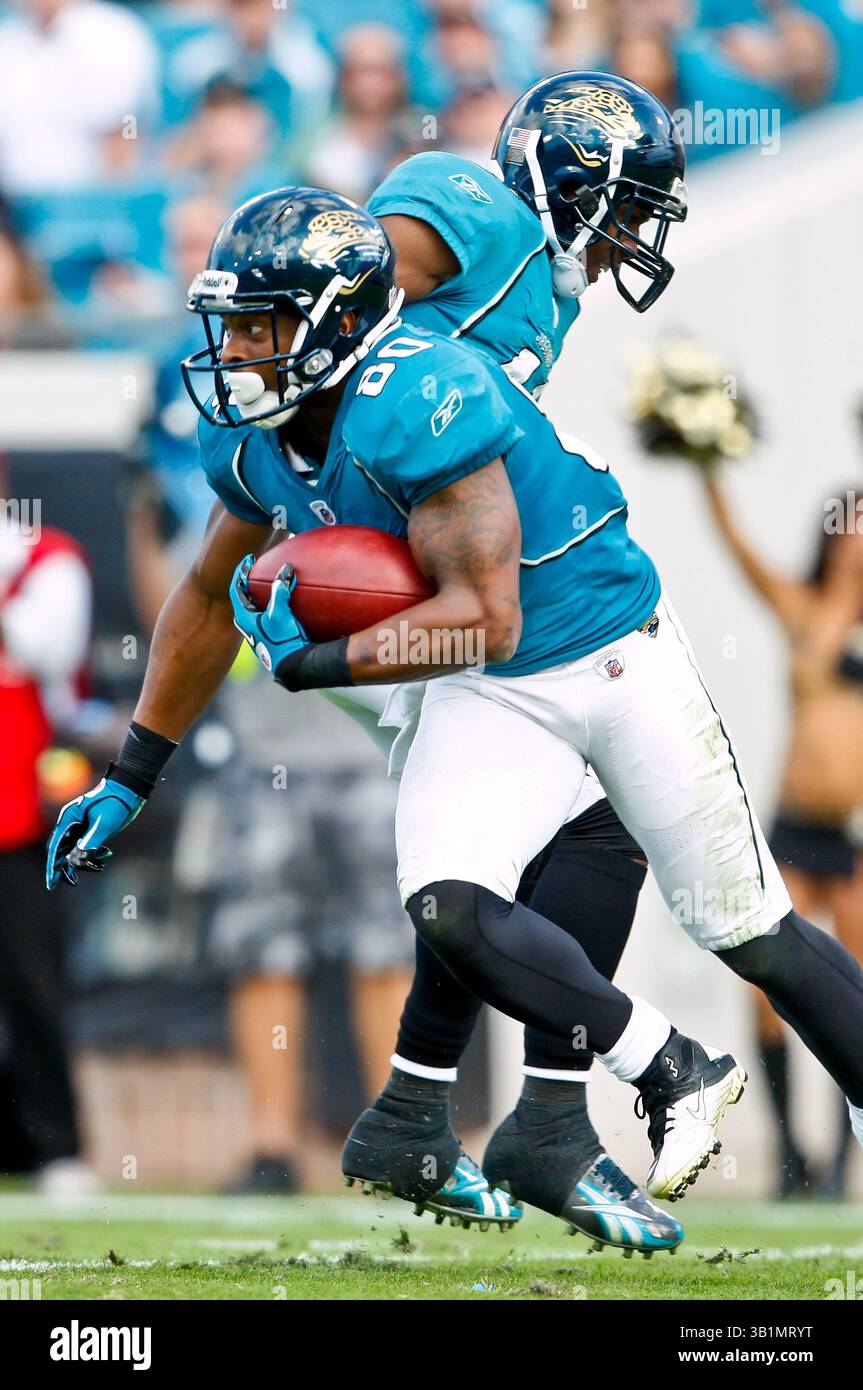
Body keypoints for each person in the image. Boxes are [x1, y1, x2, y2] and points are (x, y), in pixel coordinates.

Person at [45, 188, 756, 1234]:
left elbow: (488, 615)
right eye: (230, 323)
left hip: (441, 645)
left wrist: (322, 657)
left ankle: (431, 1117)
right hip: (375, 672)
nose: (236, 350)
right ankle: (605, 1080)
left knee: (557, 841)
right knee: (458, 886)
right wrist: (133, 771)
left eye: (260, 323)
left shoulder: (412, 394)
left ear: (338, 320)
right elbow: (202, 597)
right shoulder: (246, 438)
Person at [702, 472, 863, 1197]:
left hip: (855, 834)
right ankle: (790, 1152)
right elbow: (735, 544)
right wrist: (705, 458)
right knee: (767, 979)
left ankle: (838, 1161)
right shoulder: (802, 609)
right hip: (795, 822)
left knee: (851, 984)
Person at [0, 497, 97, 1192]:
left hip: (20, 808)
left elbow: (48, 649)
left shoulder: (45, 555)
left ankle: (53, 1144)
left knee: (32, 982)